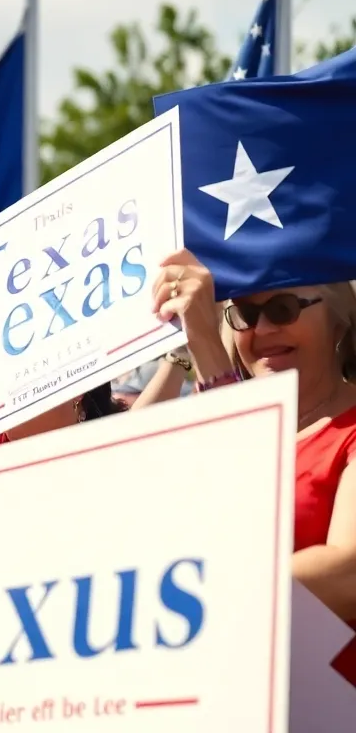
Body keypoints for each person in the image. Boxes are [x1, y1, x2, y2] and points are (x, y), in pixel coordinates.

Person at [153, 249, 356, 638]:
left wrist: (183, 600)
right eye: (245, 314)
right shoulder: (210, 429)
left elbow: (347, 572)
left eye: (283, 309)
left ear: (338, 321)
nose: (262, 330)